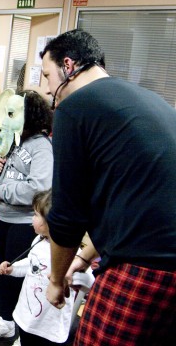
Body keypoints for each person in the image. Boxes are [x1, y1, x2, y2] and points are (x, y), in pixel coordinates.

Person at [41, 29, 176, 346]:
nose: (49, 89)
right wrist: (86, 258)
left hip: (145, 267)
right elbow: (134, 199)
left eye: (48, 75)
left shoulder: (75, 108)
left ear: (69, 65)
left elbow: (67, 214)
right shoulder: (146, 98)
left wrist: (56, 280)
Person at [0, 89, 53, 343]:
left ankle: (25, 333)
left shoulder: (41, 147)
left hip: (24, 223)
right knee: (5, 272)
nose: (7, 119)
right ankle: (6, 321)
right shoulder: (14, 141)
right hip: (2, 219)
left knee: (26, 280)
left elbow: (39, 188)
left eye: (13, 113)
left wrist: (2, 191)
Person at [0, 190, 78, 345]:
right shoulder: (38, 241)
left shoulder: (72, 255)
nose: (32, 219)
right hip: (27, 317)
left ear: (51, 221)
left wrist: (73, 278)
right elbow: (31, 264)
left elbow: (89, 280)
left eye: (35, 215)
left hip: (49, 327)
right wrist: (12, 269)